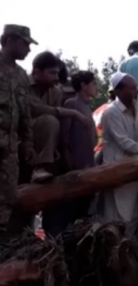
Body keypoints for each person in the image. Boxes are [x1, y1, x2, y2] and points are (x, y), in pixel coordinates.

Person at [100, 73, 138, 236]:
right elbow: (124, 143)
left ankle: (128, 253)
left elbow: (137, 138)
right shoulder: (111, 113)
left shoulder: (137, 107)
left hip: (134, 168)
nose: (137, 91)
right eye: (132, 88)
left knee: (133, 215)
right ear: (119, 90)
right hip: (117, 169)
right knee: (115, 216)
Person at [45, 70, 99, 236]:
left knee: (81, 214)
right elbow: (64, 138)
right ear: (83, 86)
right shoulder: (72, 104)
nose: (96, 87)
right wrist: (69, 166)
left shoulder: (87, 107)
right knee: (66, 215)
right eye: (94, 83)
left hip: (86, 168)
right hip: (73, 170)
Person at [28, 51, 88, 183]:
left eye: (57, 73)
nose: (56, 77)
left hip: (44, 145)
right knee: (50, 120)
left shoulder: (55, 92)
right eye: (52, 73)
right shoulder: (22, 85)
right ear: (37, 72)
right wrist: (73, 113)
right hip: (18, 138)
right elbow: (36, 109)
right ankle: (40, 167)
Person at [0, 24, 35, 234]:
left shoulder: (22, 75)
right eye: (25, 43)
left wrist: (28, 143)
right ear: (10, 41)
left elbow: (25, 113)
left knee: (7, 197)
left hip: (10, 150)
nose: (28, 50)